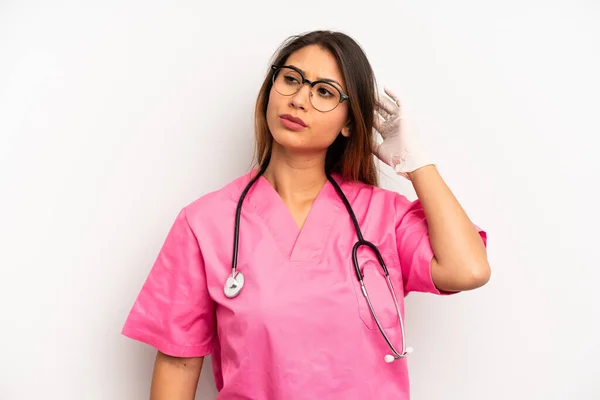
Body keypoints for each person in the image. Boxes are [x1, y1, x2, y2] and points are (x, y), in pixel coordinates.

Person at [121, 30, 490, 399]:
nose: (299, 99)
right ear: (270, 89)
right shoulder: (205, 224)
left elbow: (468, 269)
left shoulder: (384, 217)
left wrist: (415, 163)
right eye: (291, 80)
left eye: (325, 92)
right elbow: (178, 363)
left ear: (349, 122)